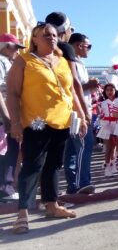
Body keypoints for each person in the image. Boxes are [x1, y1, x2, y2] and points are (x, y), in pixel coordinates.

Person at [8, 23, 88, 234]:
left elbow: (71, 90)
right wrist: (15, 122)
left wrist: (81, 115)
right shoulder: (24, 60)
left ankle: (51, 205)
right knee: (32, 165)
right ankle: (22, 212)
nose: (52, 38)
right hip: (36, 122)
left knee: (54, 165)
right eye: (46, 35)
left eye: (53, 35)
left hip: (62, 121)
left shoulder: (62, 61)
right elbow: (13, 93)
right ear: (35, 39)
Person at [63, 33, 98, 194]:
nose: (89, 50)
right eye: (88, 46)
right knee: (85, 144)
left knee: (71, 148)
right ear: (78, 45)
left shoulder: (79, 64)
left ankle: (73, 183)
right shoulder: (70, 63)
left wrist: (89, 86)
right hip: (77, 112)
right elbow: (70, 88)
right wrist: (88, 85)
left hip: (79, 110)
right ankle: (82, 182)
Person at [0, 33, 25, 201]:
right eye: (16, 48)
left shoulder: (7, 62)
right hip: (4, 116)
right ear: (7, 47)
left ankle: (6, 187)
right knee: (7, 151)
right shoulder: (2, 62)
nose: (18, 52)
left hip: (7, 114)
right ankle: (5, 189)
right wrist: (7, 117)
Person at [97, 80, 118, 177]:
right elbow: (100, 115)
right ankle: (107, 167)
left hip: (117, 125)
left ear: (115, 90)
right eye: (107, 90)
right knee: (108, 148)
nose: (109, 92)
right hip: (106, 126)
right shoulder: (102, 103)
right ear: (105, 92)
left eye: (111, 90)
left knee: (115, 147)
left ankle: (113, 164)